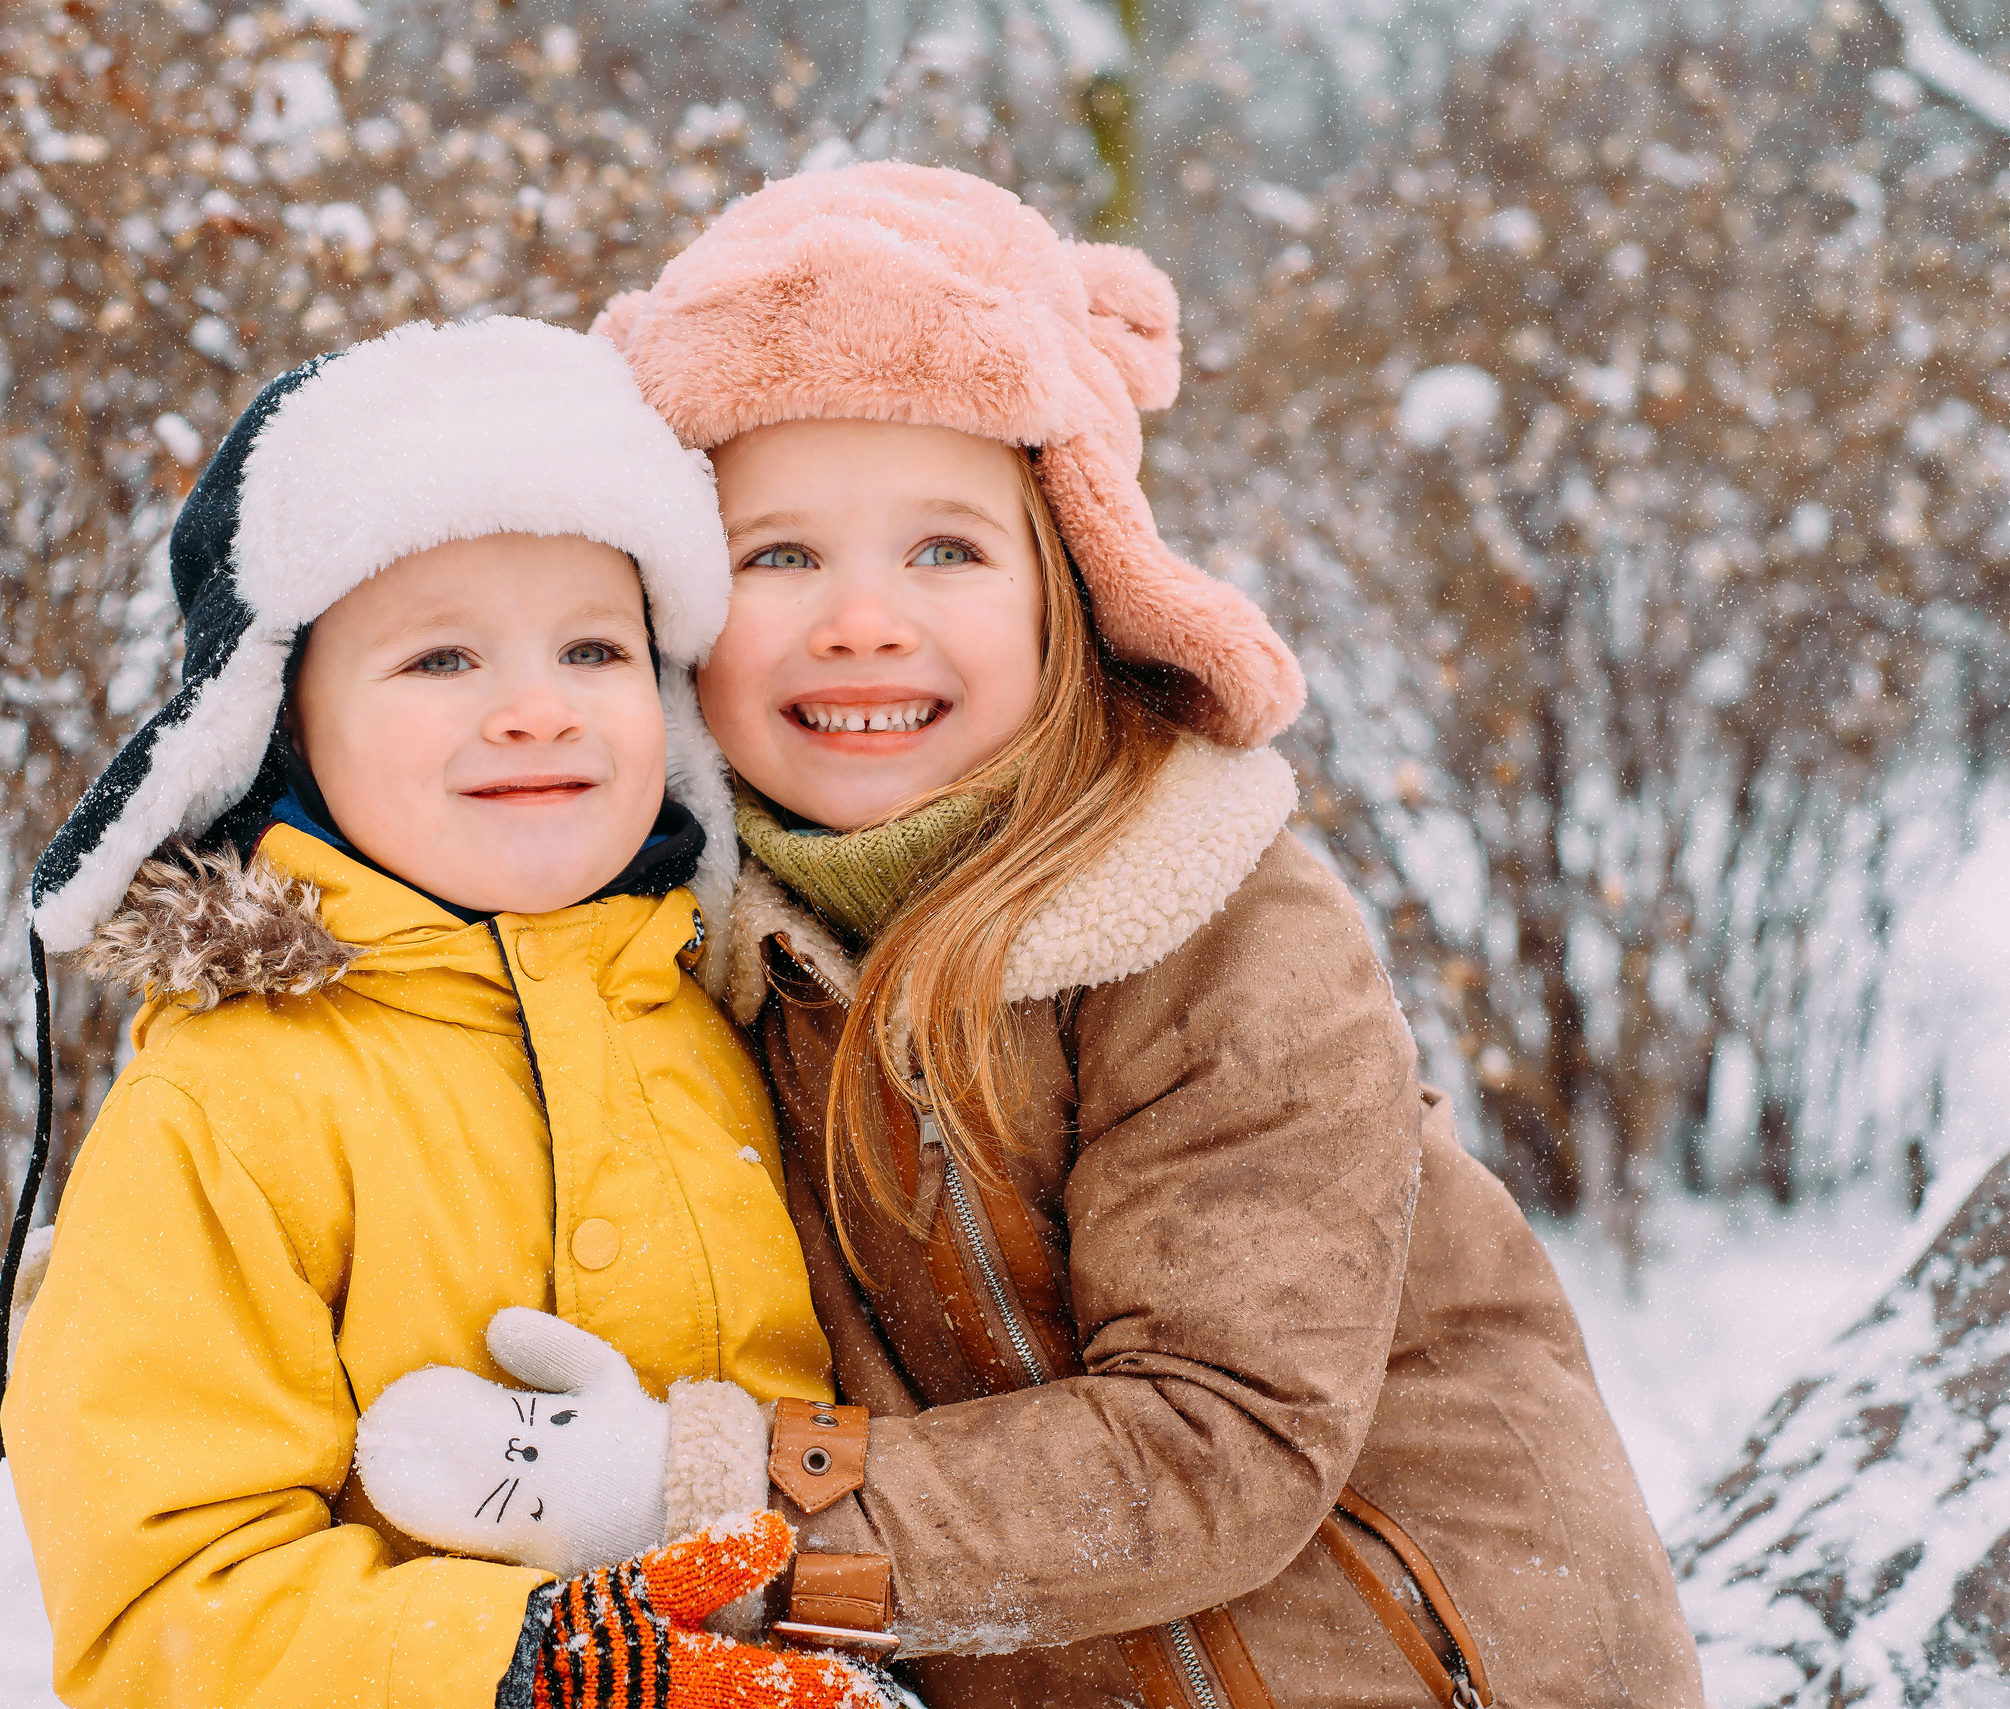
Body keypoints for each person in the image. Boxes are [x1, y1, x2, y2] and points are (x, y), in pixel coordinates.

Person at [360, 166, 1702, 1708]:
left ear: (1074, 586)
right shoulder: (689, 955)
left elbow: (1224, 1438)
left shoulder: (1219, 931)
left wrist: (709, 1492)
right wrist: (234, 1259)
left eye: (945, 549)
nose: (861, 617)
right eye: (777, 555)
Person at [0, 317, 906, 1709]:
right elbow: (166, 1608)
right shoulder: (226, 1107)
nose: (537, 710)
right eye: (441, 661)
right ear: (284, 721)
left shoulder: (729, 1024)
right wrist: (523, 1665)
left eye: (595, 649)